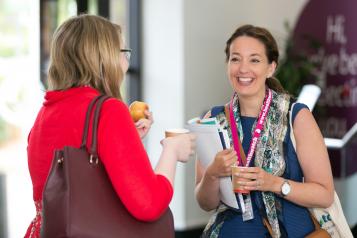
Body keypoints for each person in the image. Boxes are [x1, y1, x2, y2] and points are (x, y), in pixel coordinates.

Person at [24, 14, 195, 237]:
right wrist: (171, 150)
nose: (126, 62)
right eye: (124, 52)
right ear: (104, 58)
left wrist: (126, 139)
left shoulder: (45, 112)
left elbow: (74, 171)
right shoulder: (109, 110)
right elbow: (149, 204)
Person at [195, 25, 334, 237]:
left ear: (271, 67)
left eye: (254, 60)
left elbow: (325, 195)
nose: (243, 69)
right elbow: (205, 203)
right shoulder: (213, 120)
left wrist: (275, 184)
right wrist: (213, 173)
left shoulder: (296, 116)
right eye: (235, 59)